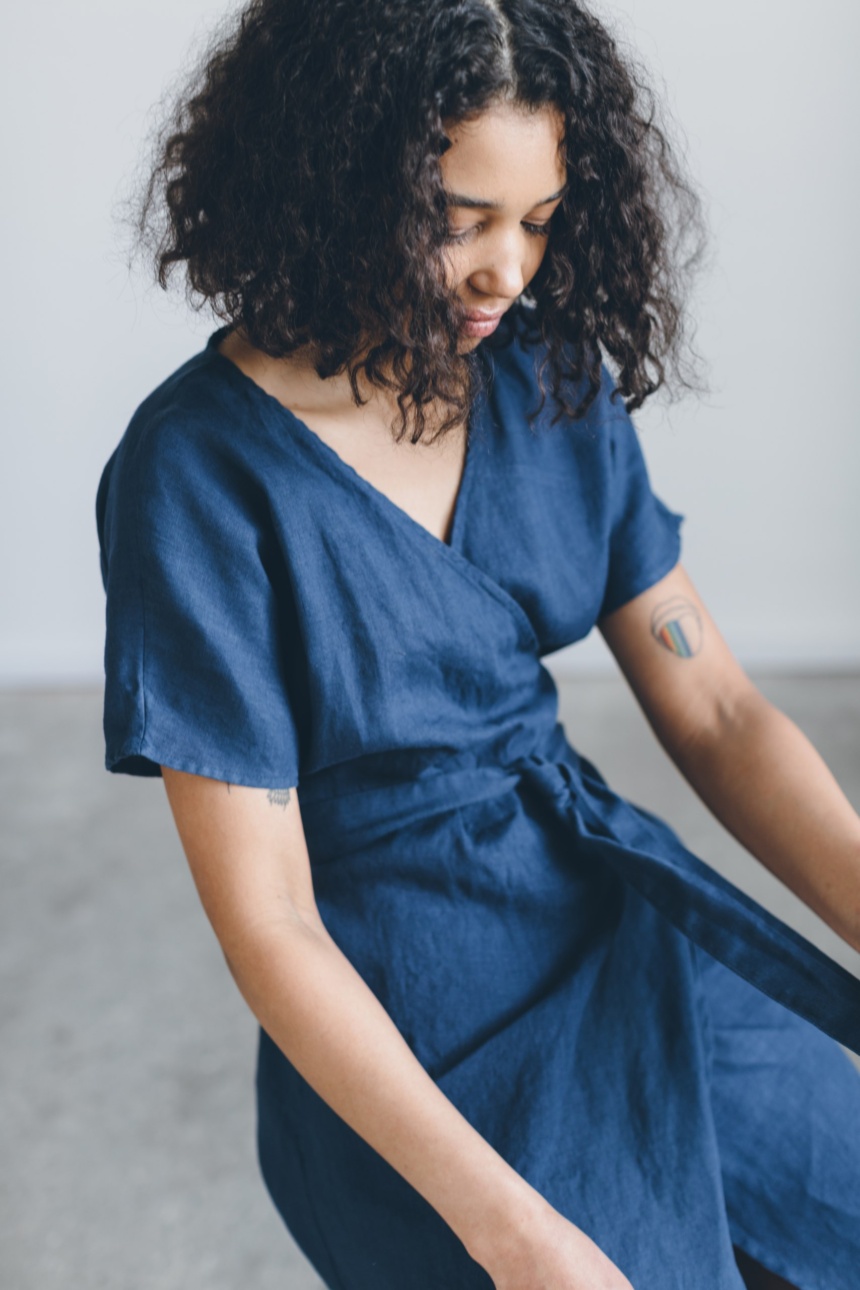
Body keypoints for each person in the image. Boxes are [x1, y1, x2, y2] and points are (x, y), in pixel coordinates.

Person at [95, 1, 860, 1287]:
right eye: (459, 219)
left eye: (539, 221)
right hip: (413, 1016)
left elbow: (716, 709)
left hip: (608, 911)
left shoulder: (539, 370)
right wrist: (512, 1234)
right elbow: (271, 919)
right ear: (335, 181)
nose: (508, 270)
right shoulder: (200, 474)